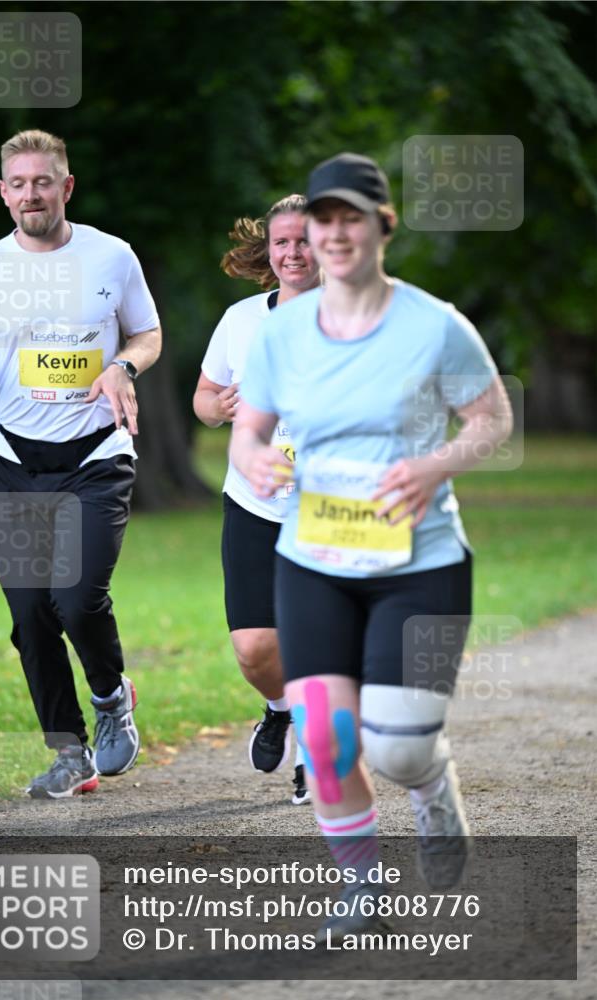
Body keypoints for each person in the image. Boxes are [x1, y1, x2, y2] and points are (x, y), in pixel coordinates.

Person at [231, 152, 513, 938]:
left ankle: (431, 789)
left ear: (381, 227)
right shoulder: (282, 331)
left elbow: (491, 419)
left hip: (418, 565)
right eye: (322, 219)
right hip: (313, 560)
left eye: (350, 216)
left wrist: (435, 465)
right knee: (324, 736)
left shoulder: (433, 325)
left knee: (395, 750)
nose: (333, 233)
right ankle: (362, 888)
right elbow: (247, 429)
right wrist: (250, 457)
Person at [0, 129, 162, 799]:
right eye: (19, 184)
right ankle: (70, 754)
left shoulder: (111, 257)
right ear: (4, 195)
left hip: (95, 454)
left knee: (77, 597)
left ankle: (110, 693)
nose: (32, 193)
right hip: (14, 461)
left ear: (66, 186)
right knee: (31, 616)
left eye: (43, 181)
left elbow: (147, 333)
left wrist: (122, 365)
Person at [193, 195, 320, 804]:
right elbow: (204, 397)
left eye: (306, 240)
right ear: (268, 252)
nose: (294, 252)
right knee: (254, 648)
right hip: (254, 503)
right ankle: (280, 709)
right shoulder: (242, 319)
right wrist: (216, 409)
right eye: (283, 242)